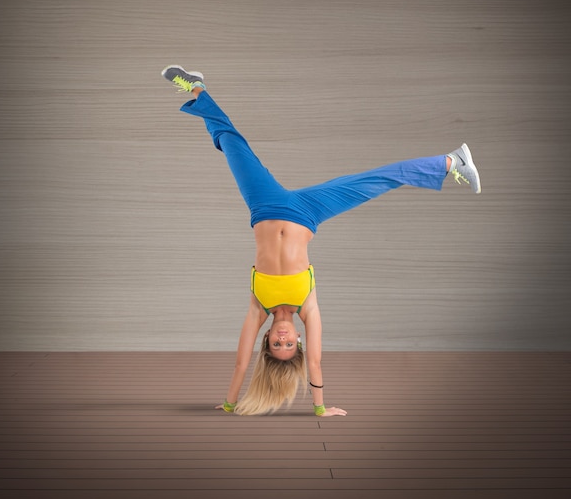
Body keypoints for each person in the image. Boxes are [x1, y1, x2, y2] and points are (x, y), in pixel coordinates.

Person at [162, 64, 481, 417]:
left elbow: (240, 365)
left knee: (232, 144)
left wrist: (229, 403)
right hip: (307, 212)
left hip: (264, 204)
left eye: (275, 344)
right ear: (296, 340)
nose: (283, 338)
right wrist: (319, 408)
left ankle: (196, 88)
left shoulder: (257, 308)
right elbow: (314, 362)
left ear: (266, 342)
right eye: (289, 344)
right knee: (375, 180)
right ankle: (451, 161)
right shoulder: (308, 307)